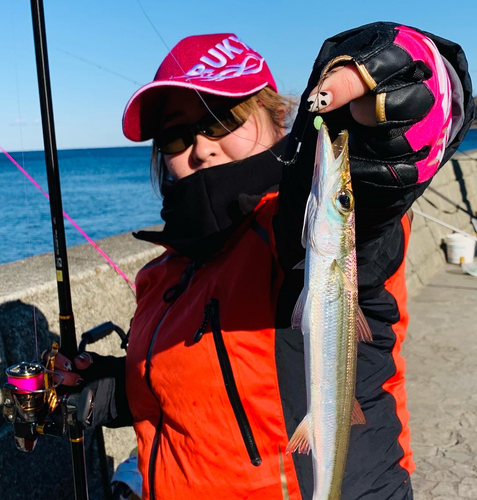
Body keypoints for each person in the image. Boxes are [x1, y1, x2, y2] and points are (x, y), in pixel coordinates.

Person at [56, 23, 474, 499]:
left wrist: (414, 73)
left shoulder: (293, 221)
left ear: (279, 118)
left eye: (219, 120)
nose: (200, 147)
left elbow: (381, 182)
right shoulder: (163, 271)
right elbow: (206, 382)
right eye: (174, 137)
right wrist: (116, 390)